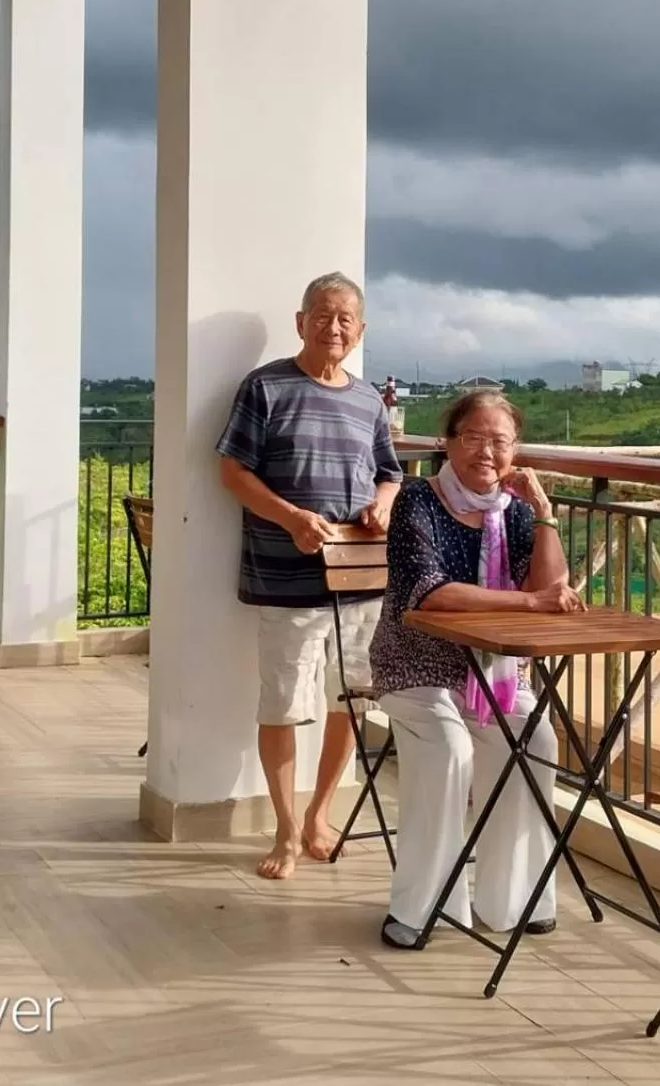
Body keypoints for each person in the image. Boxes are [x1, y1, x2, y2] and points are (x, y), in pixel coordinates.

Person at [367, 389, 586, 949]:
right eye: (473, 437)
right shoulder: (418, 500)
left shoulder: (513, 512)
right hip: (415, 663)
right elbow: (430, 592)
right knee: (448, 749)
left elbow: (550, 587)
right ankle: (423, 909)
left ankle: (516, 898)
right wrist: (530, 603)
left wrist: (544, 514)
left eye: (500, 441)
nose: (486, 452)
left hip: (490, 672)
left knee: (534, 739)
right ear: (448, 442)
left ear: (515, 451)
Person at [216, 272, 404, 880]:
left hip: (361, 580)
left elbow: (391, 473)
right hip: (286, 579)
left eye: (345, 318)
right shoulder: (265, 387)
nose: (334, 327)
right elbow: (233, 472)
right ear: (301, 322)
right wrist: (292, 518)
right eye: (322, 315)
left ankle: (320, 814)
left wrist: (382, 505)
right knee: (283, 703)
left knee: (349, 698)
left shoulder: (368, 400)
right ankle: (285, 828)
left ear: (361, 330)